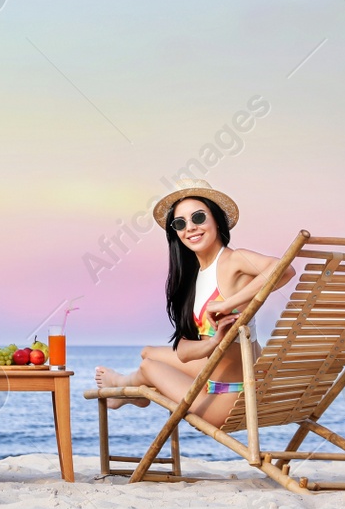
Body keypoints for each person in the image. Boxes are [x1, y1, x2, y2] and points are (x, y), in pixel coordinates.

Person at [93, 179, 294, 425]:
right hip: (216, 376)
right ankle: (134, 392)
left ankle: (125, 387)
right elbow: (185, 353)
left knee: (149, 368)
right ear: (176, 233)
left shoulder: (233, 260)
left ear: (216, 220)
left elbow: (284, 269)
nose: (190, 228)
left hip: (227, 401)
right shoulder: (195, 278)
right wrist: (214, 343)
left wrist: (226, 303)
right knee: (147, 353)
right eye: (180, 223)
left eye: (198, 218)